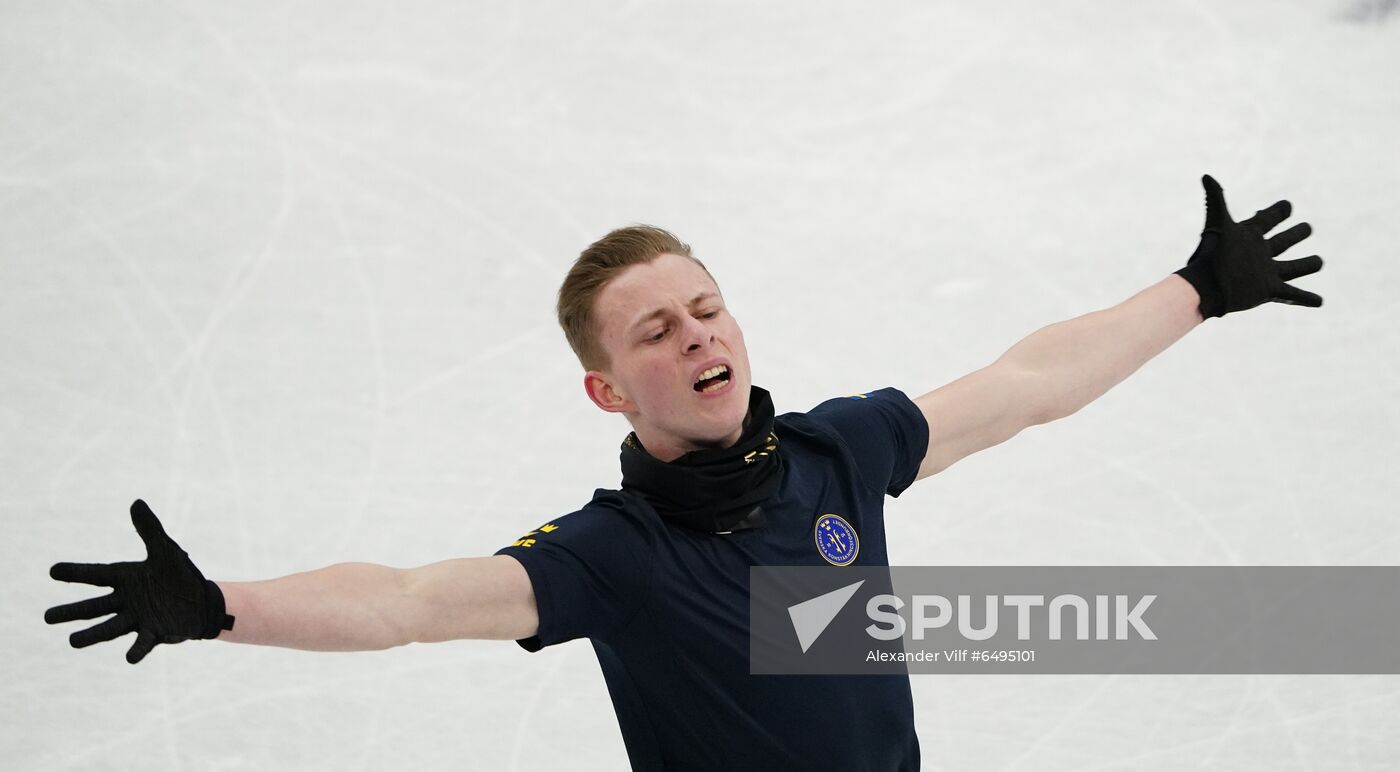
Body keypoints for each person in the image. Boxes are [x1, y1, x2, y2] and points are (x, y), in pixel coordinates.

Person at [46, 175, 1323, 771]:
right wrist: (222, 606)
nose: (697, 335)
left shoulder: (836, 449)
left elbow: (1025, 384)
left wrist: (1195, 290)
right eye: (655, 331)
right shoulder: (613, 554)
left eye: (704, 308)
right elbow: (409, 602)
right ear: (607, 387)